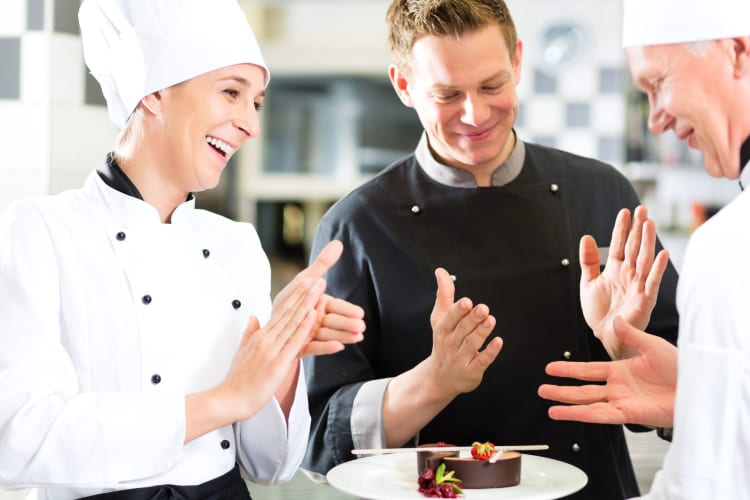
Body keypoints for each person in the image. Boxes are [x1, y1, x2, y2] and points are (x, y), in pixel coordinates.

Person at [301, 1, 680, 498]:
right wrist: (434, 381)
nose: (475, 114)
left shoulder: (602, 194)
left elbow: (692, 392)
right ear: (403, 85)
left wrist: (625, 343)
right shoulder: (358, 226)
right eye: (447, 94)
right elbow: (321, 436)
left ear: (518, 61)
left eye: (492, 86)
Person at [0, 1, 366, 499]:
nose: (250, 125)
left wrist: (280, 359)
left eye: (254, 102)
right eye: (232, 92)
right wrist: (222, 400)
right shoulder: (42, 231)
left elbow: (270, 467)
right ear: (153, 91)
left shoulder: (237, 245)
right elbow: (18, 438)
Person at [538, 0, 750, 497]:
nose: (655, 120)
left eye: (658, 83)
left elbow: (710, 483)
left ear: (737, 52)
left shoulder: (728, 248)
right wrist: (698, 393)